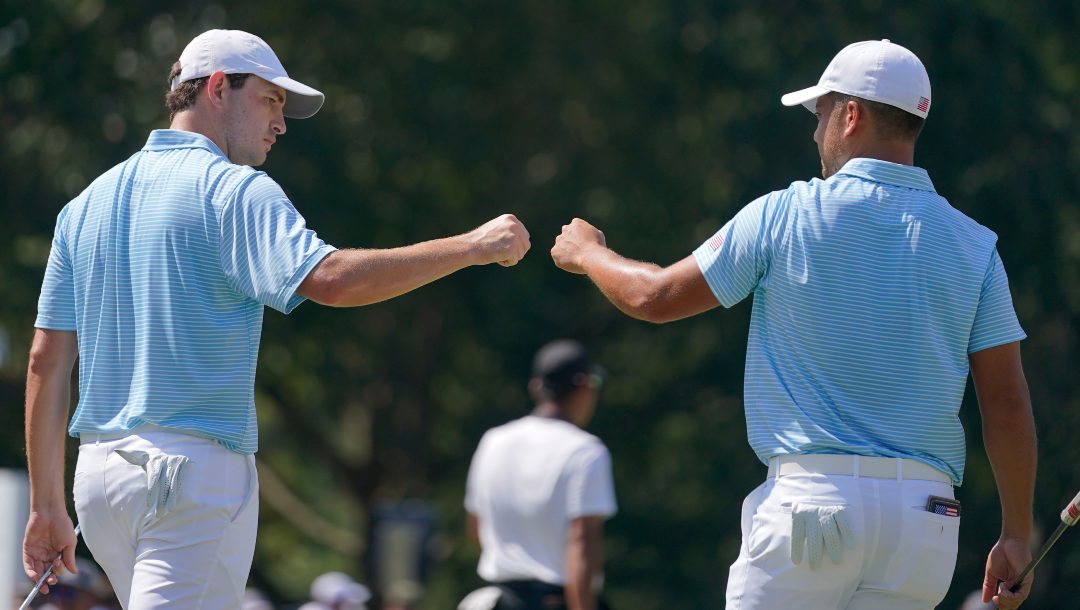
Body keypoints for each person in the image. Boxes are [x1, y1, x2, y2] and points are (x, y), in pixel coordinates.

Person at [22, 28, 530, 609]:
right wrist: (471, 246)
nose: (280, 123)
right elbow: (333, 280)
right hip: (190, 475)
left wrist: (45, 507)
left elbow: (46, 360)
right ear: (218, 88)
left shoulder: (82, 207)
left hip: (97, 479)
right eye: (270, 99)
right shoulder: (235, 190)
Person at [549, 39, 1036, 610]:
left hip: (812, 510)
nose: (815, 132)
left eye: (822, 113)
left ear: (851, 115)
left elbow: (653, 297)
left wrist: (588, 254)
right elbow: (1005, 402)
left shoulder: (785, 214)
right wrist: (1016, 533)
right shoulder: (975, 245)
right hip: (925, 527)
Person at [461, 340, 616, 610]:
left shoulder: (493, 441)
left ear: (537, 388)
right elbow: (582, 544)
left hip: (497, 602)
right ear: (584, 386)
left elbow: (476, 528)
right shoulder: (585, 451)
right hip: (554, 601)